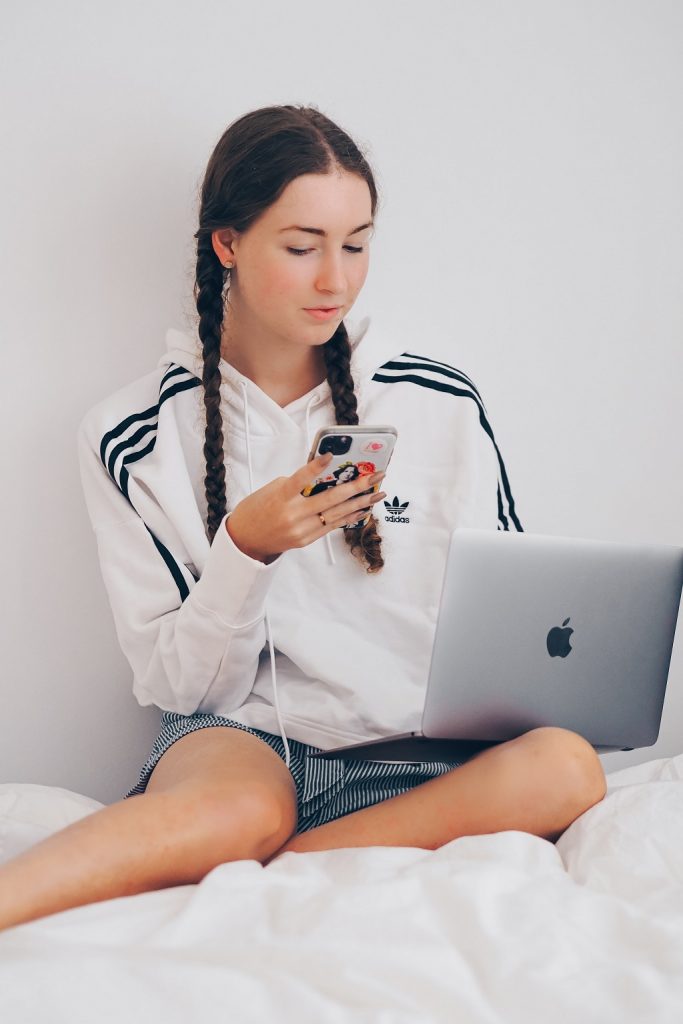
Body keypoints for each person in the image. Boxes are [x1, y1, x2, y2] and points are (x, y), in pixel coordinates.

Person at [0, 104, 606, 932]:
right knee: (233, 812)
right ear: (227, 245)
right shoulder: (130, 434)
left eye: (355, 244)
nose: (336, 279)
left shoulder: (439, 402)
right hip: (244, 748)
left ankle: (286, 867)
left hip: (419, 758)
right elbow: (179, 686)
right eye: (301, 246)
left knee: (567, 768)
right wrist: (245, 550)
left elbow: (516, 620)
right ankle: (236, 847)